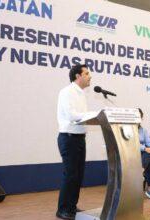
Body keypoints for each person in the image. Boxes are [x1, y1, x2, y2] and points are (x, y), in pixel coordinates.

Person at [56, 64, 92, 220]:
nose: (90, 76)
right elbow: (71, 115)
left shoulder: (82, 94)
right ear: (78, 76)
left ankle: (71, 206)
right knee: (70, 175)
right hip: (69, 138)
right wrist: (92, 115)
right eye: (87, 73)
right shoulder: (67, 92)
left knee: (78, 175)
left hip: (79, 138)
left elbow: (80, 116)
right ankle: (62, 209)